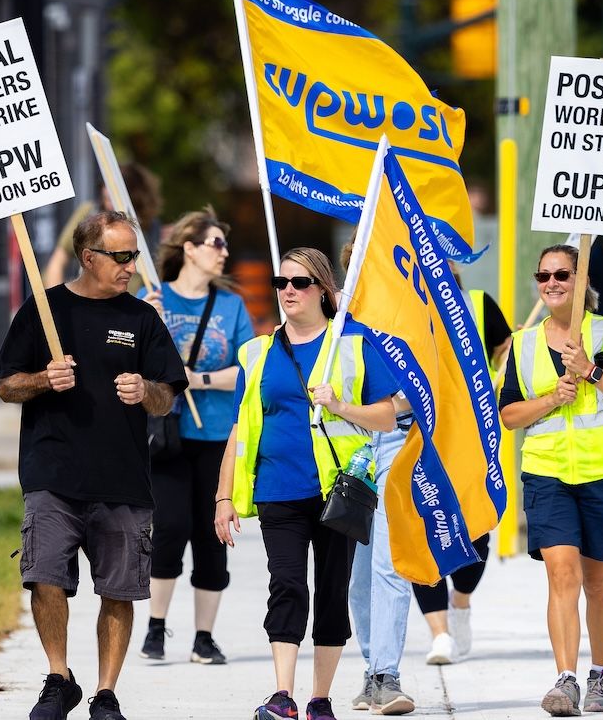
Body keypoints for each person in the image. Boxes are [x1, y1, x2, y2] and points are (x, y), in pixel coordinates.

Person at [0, 210, 188, 720]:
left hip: (123, 478)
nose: (130, 267)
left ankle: (105, 693)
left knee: (118, 591)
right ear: (88, 257)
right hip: (51, 472)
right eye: (120, 256)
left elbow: (168, 396)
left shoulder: (142, 319)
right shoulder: (43, 309)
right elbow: (6, 384)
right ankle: (59, 678)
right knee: (44, 576)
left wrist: (146, 390)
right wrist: (41, 379)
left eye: (133, 256)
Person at [215, 247, 397, 720]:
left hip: (338, 491)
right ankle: (283, 695)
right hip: (278, 488)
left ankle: (320, 698)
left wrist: (340, 406)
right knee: (287, 586)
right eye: (281, 284)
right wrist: (223, 496)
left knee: (332, 591)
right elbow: (240, 429)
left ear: (323, 290)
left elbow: (387, 415)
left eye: (298, 283)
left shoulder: (353, 345)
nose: (288, 291)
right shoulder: (256, 352)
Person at [498, 244, 603, 717]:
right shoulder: (524, 343)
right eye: (542, 274)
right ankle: (565, 680)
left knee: (598, 581)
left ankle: (600, 673)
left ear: (581, 279)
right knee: (560, 573)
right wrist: (550, 398)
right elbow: (508, 415)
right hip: (547, 475)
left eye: (562, 274)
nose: (551, 283)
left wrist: (591, 371)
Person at [136, 206, 254, 665]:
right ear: (189, 248)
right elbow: (136, 364)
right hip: (167, 433)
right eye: (215, 244)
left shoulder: (230, 306)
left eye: (225, 244)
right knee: (169, 527)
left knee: (212, 533)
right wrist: (146, 322)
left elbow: (246, 367)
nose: (223, 253)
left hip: (217, 435)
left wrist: (196, 380)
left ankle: (204, 637)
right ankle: (156, 625)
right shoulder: (155, 298)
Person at [412, 273, 512, 666]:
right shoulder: (408, 302)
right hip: (420, 438)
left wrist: (510, 353)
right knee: (425, 532)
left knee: (477, 534)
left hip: (473, 439)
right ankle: (440, 635)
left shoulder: (477, 302)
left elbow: (504, 349)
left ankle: (461, 602)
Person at [336, 240, 415, 716]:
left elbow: (418, 389)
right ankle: (372, 669)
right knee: (358, 576)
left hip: (399, 445)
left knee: (388, 564)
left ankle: (388, 673)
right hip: (351, 447)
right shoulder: (340, 321)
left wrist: (394, 405)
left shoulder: (408, 315)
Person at [44, 163, 163, 292]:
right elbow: (58, 261)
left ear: (135, 198)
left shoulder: (150, 227)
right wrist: (56, 303)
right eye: (106, 199)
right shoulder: (89, 213)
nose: (110, 206)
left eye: (114, 199)